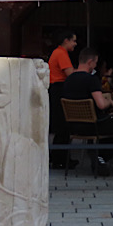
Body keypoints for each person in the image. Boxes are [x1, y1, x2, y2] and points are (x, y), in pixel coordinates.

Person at [47, 30, 77, 169]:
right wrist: (83, 71)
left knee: (62, 126)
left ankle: (59, 158)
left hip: (56, 89)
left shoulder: (58, 52)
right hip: (59, 89)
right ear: (66, 40)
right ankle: (60, 159)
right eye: (73, 41)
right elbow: (70, 73)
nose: (75, 44)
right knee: (63, 126)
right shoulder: (61, 53)